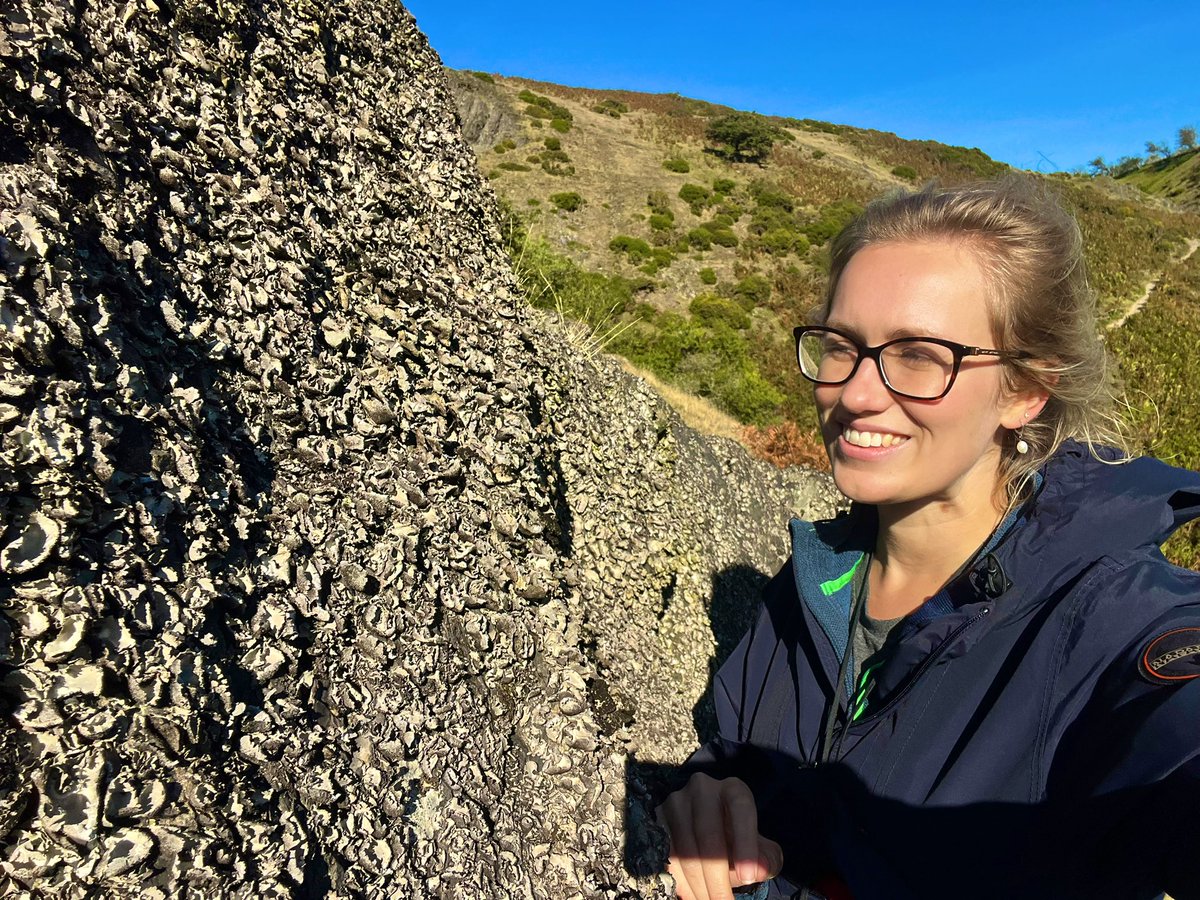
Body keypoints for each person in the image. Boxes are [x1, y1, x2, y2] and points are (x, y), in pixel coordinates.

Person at [657, 177, 1200, 900]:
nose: (853, 393)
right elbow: (737, 753)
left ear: (1024, 390)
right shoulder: (816, 582)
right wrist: (709, 792)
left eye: (919, 355)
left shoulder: (1110, 620)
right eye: (840, 346)